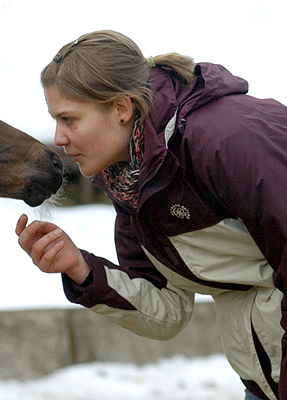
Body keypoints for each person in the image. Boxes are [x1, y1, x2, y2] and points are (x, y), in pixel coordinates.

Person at [15, 30, 287, 400]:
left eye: (69, 119)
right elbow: (167, 310)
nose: (59, 137)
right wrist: (79, 267)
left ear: (122, 109)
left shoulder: (225, 140)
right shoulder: (131, 179)